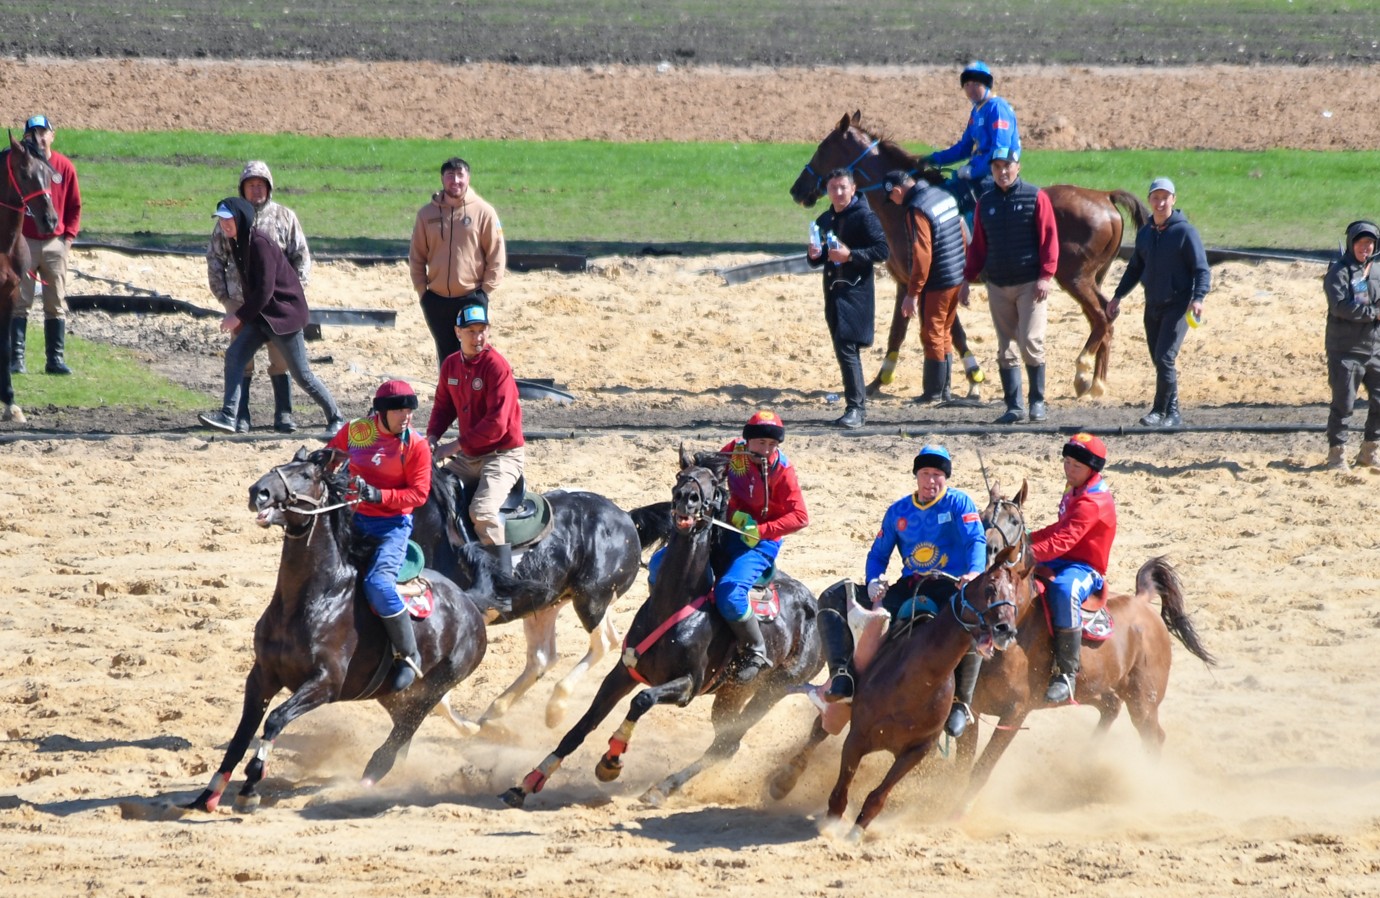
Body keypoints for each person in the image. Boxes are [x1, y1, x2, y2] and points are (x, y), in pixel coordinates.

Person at [821, 445, 985, 734]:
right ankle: (843, 675)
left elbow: (976, 542)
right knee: (847, 606)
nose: (931, 481)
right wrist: (873, 579)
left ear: (945, 478)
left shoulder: (960, 504)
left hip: (950, 586)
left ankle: (961, 702)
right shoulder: (898, 511)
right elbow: (878, 554)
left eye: (937, 475)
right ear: (916, 475)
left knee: (969, 622)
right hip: (909, 586)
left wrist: (973, 573)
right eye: (925, 473)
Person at [196, 197, 344, 435]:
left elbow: (265, 290)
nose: (224, 225)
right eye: (221, 220)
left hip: (283, 317)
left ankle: (336, 417)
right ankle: (228, 415)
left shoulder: (260, 243)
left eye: (228, 219)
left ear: (241, 219)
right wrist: (245, 316)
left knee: (302, 375)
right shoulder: (236, 242)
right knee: (235, 356)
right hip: (261, 317)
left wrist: (239, 316)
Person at [327, 380, 433, 692]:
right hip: (353, 520)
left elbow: (418, 495)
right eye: (399, 410)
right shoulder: (358, 431)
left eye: (409, 410)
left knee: (377, 584)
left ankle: (408, 655)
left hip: (392, 528)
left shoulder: (415, 446)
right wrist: (316, 461)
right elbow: (332, 457)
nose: (406, 416)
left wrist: (378, 495)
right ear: (381, 413)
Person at [206, 161, 313, 433]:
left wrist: (292, 297)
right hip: (241, 304)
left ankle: (284, 414)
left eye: (261, 184)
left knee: (281, 360)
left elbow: (301, 257)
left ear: (269, 187)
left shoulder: (284, 217)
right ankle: (239, 416)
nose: (256, 190)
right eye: (250, 185)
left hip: (276, 308)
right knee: (242, 360)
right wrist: (226, 300)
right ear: (242, 189)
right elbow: (215, 261)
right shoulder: (226, 220)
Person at [963, 147, 1060, 424]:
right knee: (1005, 347)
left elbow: (1049, 238)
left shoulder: (1035, 197)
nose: (1002, 172)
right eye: (997, 167)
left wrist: (1045, 275)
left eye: (1007, 166)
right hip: (997, 284)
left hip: (1030, 282)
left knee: (1030, 341)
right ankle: (1014, 406)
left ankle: (1037, 402)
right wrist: (967, 278)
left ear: (1018, 167)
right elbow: (978, 246)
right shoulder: (985, 202)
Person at [426, 302, 524, 574]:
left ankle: (501, 584)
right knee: (432, 495)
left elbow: (497, 424)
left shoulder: (497, 367)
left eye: (482, 330)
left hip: (502, 455)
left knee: (482, 512)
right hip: (470, 456)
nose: (478, 337)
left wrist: (452, 447)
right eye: (471, 331)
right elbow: (443, 407)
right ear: (457, 332)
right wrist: (433, 436)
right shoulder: (451, 366)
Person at [713, 411, 809, 682]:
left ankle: (756, 649)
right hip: (726, 529)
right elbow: (712, 475)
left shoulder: (783, 471)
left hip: (760, 545)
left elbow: (801, 517)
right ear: (747, 441)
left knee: (730, 594)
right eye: (760, 444)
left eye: (772, 445)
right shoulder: (733, 451)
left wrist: (762, 530)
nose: (766, 450)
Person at [1108, 177, 1211, 428]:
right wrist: (1118, 296)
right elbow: (1134, 268)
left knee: (1165, 358)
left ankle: (1166, 412)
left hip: (1178, 305)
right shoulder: (1145, 234)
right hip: (1152, 304)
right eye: (1156, 197)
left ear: (1173, 200)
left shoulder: (1185, 232)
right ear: (1149, 201)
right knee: (1159, 359)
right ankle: (1165, 410)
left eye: (1165, 197)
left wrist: (1198, 298)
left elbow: (1202, 270)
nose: (1160, 202)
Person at [1029, 433, 1117, 704]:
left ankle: (1066, 672)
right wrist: (1026, 538)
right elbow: (1059, 528)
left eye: (1075, 466)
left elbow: (1063, 541)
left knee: (1064, 590)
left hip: (1084, 566)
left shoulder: (1092, 502)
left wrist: (1027, 553)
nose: (1069, 470)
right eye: (1066, 462)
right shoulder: (1074, 488)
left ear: (1092, 469)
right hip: (1062, 558)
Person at [806, 169, 890, 428]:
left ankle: (856, 409)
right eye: (833, 188)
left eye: (843, 187)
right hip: (832, 292)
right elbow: (817, 260)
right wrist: (813, 253)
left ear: (853, 189)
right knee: (844, 350)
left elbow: (882, 249)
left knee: (848, 347)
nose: (838, 193)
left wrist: (851, 255)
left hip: (856, 292)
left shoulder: (865, 217)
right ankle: (856, 408)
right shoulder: (824, 219)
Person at [410, 157, 507, 367]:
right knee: (447, 358)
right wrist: (422, 292)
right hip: (436, 299)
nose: (455, 180)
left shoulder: (484, 212)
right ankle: (450, 399)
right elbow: (417, 256)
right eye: (450, 175)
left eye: (460, 175)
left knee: (474, 353)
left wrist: (485, 291)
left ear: (468, 178)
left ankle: (475, 398)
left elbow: (496, 254)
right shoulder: (426, 215)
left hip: (471, 297)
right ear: (442, 179)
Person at [882, 170, 967, 406]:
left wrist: (913, 293)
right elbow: (962, 231)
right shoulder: (941, 195)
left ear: (897, 191)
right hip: (956, 273)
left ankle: (933, 392)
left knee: (931, 333)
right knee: (944, 332)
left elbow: (923, 254)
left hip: (938, 279)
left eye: (893, 199)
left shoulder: (916, 209)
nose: (895, 203)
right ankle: (945, 390)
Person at [11, 114, 81, 376]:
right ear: (25, 138)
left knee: (56, 302)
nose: (38, 138)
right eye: (33, 134)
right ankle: (17, 360)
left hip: (55, 243)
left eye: (43, 133)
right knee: (20, 301)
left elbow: (75, 206)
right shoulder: (22, 167)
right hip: (26, 242)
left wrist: (69, 239)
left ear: (53, 135)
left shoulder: (64, 167)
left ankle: (55, 360)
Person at [924, 61, 1020, 215]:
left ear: (987, 84)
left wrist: (973, 172)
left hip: (993, 175)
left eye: (976, 83)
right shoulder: (976, 111)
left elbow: (1000, 151)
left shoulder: (997, 109)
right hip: (977, 172)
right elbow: (964, 148)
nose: (971, 89)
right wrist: (934, 159)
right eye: (967, 84)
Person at [1322, 220, 1380, 470]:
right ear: (1351, 243)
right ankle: (1337, 454)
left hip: (1375, 349)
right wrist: (1373, 313)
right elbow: (1340, 307)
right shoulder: (1339, 271)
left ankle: (1370, 451)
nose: (1364, 247)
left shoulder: (1377, 270)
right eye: (1360, 242)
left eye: (1369, 243)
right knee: (1343, 403)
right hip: (1345, 351)